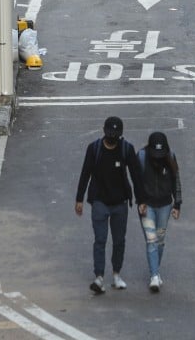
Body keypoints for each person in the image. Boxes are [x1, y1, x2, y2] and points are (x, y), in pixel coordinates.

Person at [75, 116, 146, 294]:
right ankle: (99, 277)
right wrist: (79, 199)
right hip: (99, 202)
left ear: (120, 134)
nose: (112, 137)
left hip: (120, 203)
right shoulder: (94, 149)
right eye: (109, 133)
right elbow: (85, 173)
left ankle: (116, 274)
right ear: (104, 131)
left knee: (119, 240)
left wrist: (141, 200)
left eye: (115, 134)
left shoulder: (126, 149)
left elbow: (136, 176)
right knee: (100, 239)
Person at [138, 132, 182, 293]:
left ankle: (156, 270)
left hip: (165, 205)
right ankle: (154, 276)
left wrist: (177, 205)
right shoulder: (141, 157)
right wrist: (140, 201)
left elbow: (176, 180)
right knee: (151, 240)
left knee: (160, 240)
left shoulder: (171, 157)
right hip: (147, 205)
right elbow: (137, 181)